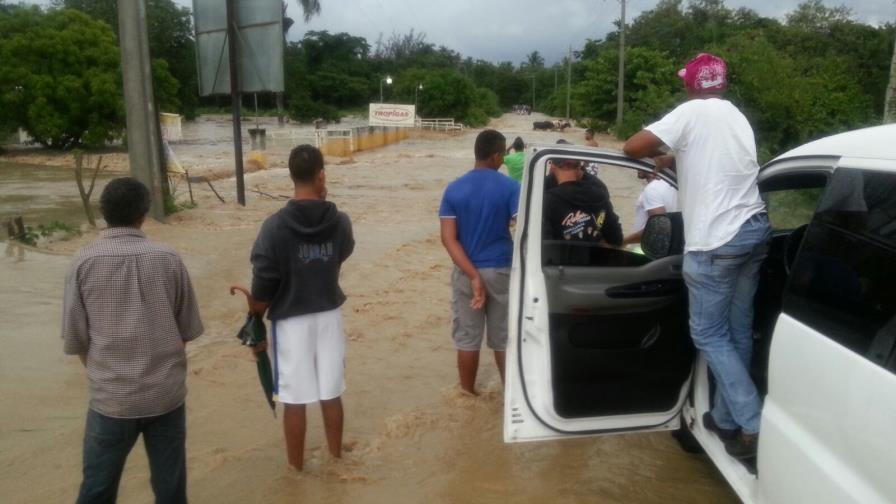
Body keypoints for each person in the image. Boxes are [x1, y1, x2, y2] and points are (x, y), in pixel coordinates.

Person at [623, 53, 771, 459]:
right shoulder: (734, 115)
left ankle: (753, 422)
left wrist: (661, 151)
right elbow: (718, 162)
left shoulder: (691, 111)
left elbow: (632, 146)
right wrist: (675, 157)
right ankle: (726, 419)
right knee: (736, 332)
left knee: (708, 333)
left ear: (691, 85)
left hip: (715, 241)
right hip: (754, 230)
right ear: (720, 83)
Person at [62, 177, 203, 504]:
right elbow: (187, 330)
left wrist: (109, 375)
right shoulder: (169, 258)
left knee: (97, 490)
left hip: (111, 400)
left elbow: (76, 341)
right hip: (165, 397)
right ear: (144, 214)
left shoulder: (83, 261)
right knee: (171, 491)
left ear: (102, 213)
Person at [249, 144, 355, 471]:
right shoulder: (340, 221)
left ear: (291, 176)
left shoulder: (274, 227)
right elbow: (341, 254)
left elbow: (264, 285)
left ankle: (296, 474)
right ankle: (335, 460)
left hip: (290, 322)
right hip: (328, 315)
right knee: (331, 392)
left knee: (294, 401)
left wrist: (254, 315)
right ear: (321, 174)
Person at [439, 129, 520, 395]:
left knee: (467, 340)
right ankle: (510, 399)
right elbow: (523, 231)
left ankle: (467, 395)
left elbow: (449, 239)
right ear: (496, 156)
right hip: (501, 270)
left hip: (466, 272)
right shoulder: (511, 187)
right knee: (503, 340)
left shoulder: (454, 189)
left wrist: (473, 275)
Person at [543, 158, 622, 245]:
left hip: (561, 257)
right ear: (579, 168)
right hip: (595, 257)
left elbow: (543, 245)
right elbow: (616, 239)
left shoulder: (546, 201)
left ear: (553, 168)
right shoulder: (599, 193)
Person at [622, 158, 679, 246]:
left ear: (654, 162)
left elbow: (657, 228)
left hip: (646, 250)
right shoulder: (673, 185)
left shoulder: (653, 189)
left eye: (642, 160)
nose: (638, 165)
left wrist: (622, 241)